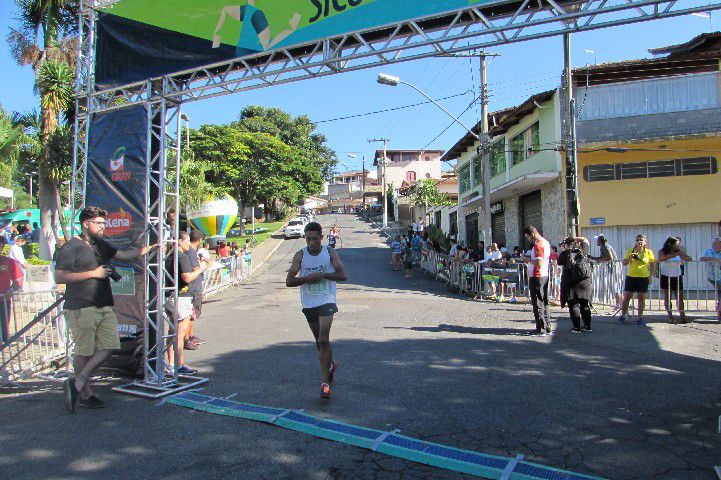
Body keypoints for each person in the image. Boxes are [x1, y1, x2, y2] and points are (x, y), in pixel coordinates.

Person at [55, 206, 157, 412]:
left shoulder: (100, 245)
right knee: (84, 350)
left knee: (110, 345)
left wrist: (146, 250)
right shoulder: (72, 246)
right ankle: (85, 394)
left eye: (104, 223)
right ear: (85, 224)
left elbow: (123, 254)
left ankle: (78, 381)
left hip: (104, 304)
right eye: (99, 223)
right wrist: (93, 273)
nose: (103, 227)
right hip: (81, 306)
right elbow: (59, 276)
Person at [286, 222, 347, 399]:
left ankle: (324, 384)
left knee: (323, 338)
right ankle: (330, 366)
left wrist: (322, 275)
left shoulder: (330, 252)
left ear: (322, 238)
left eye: (315, 239)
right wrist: (306, 279)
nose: (312, 242)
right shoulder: (300, 255)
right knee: (319, 342)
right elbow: (289, 280)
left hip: (327, 300)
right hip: (309, 303)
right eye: (308, 239)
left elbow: (343, 275)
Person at [212, 1, 301, 57]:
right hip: (239, 55)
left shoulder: (252, 12)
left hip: (235, 55)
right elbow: (267, 47)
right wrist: (289, 30)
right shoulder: (255, 14)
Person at [557, 237, 593, 333]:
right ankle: (587, 326)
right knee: (585, 304)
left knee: (573, 304)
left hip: (571, 283)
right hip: (585, 282)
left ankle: (576, 328)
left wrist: (565, 248)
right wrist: (574, 239)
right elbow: (585, 239)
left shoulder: (565, 253)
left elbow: (559, 262)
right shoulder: (583, 251)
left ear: (566, 244)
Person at [618, 234, 655, 326]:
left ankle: (639, 318)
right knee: (627, 298)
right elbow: (624, 263)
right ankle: (622, 316)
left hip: (643, 278)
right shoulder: (631, 251)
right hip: (631, 277)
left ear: (645, 242)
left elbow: (652, 265)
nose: (639, 241)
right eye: (637, 240)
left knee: (641, 299)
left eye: (641, 240)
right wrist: (630, 258)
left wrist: (650, 276)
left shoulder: (648, 252)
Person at [521, 226, 552, 335]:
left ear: (532, 234)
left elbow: (539, 263)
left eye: (528, 237)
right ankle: (546, 327)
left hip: (537, 276)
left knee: (538, 302)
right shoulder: (545, 242)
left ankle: (541, 328)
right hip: (543, 275)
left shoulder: (539, 244)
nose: (528, 239)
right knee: (544, 301)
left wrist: (527, 260)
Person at [657, 237, 692, 324]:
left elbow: (689, 259)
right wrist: (673, 255)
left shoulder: (679, 252)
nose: (678, 246)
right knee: (667, 298)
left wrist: (681, 255)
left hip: (677, 276)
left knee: (680, 298)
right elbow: (660, 258)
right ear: (671, 244)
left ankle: (682, 316)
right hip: (666, 276)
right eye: (676, 244)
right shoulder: (662, 251)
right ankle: (670, 316)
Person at [186, 230, 210, 349]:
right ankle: (187, 338)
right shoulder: (190, 251)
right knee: (191, 314)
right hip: (193, 287)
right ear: (200, 240)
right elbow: (195, 268)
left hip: (196, 286)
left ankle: (190, 336)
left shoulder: (192, 251)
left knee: (193, 314)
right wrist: (203, 266)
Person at [590, 235, 622, 310]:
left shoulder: (606, 247)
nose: (596, 242)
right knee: (613, 287)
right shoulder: (603, 247)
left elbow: (609, 258)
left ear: (600, 241)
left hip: (614, 268)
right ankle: (620, 304)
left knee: (615, 286)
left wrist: (595, 258)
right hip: (611, 268)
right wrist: (595, 259)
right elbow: (602, 258)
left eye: (597, 240)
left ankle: (620, 304)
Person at [0, 251, 23, 343]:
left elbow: (18, 280)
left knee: (4, 332)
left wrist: (12, 289)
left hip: (3, 301)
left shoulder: (9, 262)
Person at [700, 236, 721, 323]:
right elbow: (702, 259)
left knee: (720, 295)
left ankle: (719, 311)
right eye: (716, 243)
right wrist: (715, 259)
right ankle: (719, 312)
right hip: (714, 277)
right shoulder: (709, 251)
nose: (717, 244)